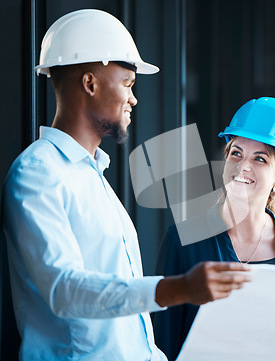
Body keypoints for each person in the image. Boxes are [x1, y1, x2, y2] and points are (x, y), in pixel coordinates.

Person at [2, 9, 250, 361]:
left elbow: (122, 326)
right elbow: (65, 290)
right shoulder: (38, 174)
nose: (134, 99)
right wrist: (179, 288)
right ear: (90, 84)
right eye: (128, 84)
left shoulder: (93, 178)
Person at [154, 97, 275, 360]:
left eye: (260, 159)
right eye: (236, 153)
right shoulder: (184, 239)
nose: (243, 166)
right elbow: (163, 340)